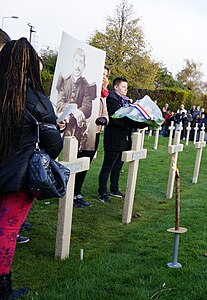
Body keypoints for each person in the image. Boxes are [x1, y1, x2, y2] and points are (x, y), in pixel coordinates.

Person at [0, 38, 65, 299]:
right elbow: (54, 146)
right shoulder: (36, 100)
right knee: (7, 230)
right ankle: (3, 288)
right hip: (19, 175)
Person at [97, 77, 147, 203]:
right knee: (108, 166)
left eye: (126, 87)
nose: (126, 89)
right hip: (113, 138)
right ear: (116, 87)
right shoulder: (112, 99)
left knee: (118, 166)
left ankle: (114, 189)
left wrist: (142, 123)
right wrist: (132, 123)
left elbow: (129, 118)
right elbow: (115, 118)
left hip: (124, 138)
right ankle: (102, 192)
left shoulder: (126, 101)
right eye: (123, 87)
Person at [73, 65, 110, 208]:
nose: (104, 77)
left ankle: (77, 193)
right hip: (82, 132)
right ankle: (71, 193)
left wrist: (104, 120)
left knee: (86, 163)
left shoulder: (103, 94)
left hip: (95, 133)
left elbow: (105, 112)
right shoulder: (86, 88)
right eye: (102, 73)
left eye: (106, 75)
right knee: (76, 162)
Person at [55, 48, 97, 150]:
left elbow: (87, 108)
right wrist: (73, 110)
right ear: (72, 62)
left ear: (84, 66)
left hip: (77, 132)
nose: (78, 65)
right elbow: (59, 104)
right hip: (60, 128)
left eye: (81, 62)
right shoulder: (64, 82)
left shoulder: (86, 86)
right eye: (76, 61)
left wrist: (79, 112)